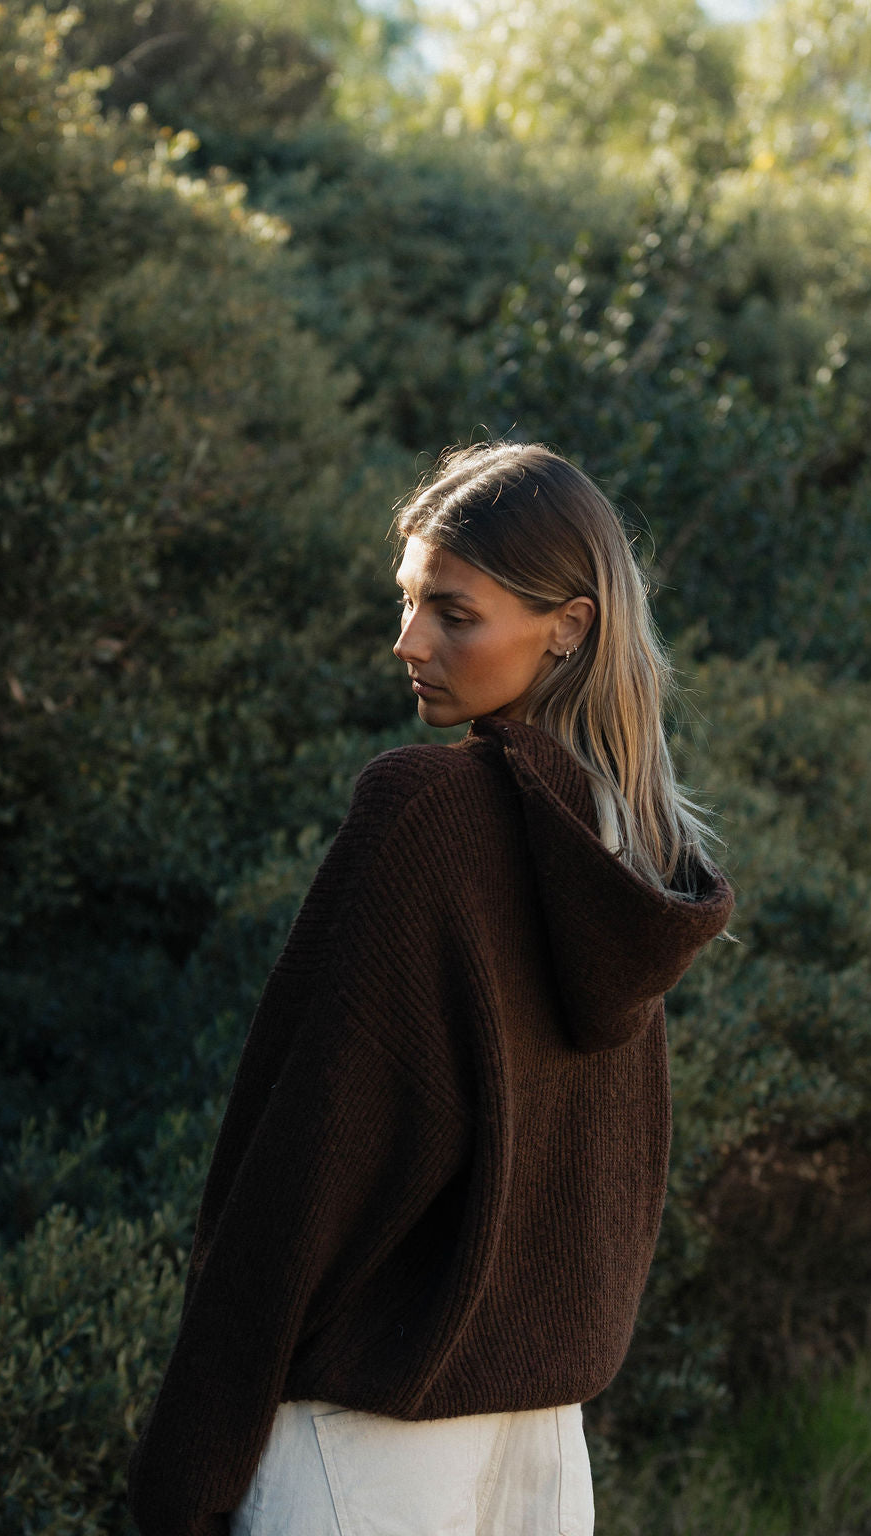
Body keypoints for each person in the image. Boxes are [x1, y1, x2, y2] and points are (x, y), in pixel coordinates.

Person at [127, 440, 734, 1536]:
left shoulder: (424, 811)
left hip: (360, 1441)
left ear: (570, 626)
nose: (408, 642)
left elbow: (301, 1168)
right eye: (408, 601)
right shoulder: (630, 853)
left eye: (454, 614)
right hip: (543, 1442)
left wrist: (186, 1469)